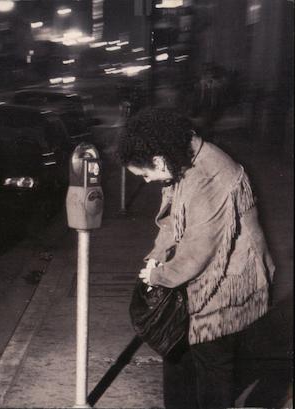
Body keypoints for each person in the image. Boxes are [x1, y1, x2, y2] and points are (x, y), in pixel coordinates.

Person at [117, 108, 274, 409]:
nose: (147, 181)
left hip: (227, 285)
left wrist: (159, 276)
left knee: (211, 362)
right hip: (207, 276)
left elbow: (198, 250)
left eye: (145, 174)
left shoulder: (207, 176)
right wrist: (157, 256)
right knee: (178, 353)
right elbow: (171, 221)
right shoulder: (182, 158)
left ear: (158, 161)